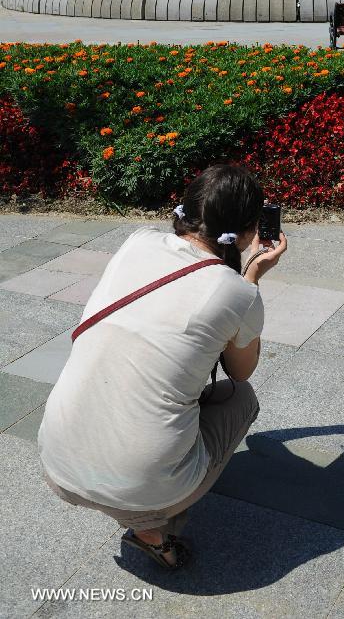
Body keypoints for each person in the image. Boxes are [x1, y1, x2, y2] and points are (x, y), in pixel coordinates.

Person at [38, 165, 287, 570]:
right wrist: (252, 274)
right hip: (141, 487)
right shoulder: (237, 291)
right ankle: (150, 528)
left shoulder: (137, 242)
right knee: (240, 399)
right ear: (247, 232)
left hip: (58, 463)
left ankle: (139, 495)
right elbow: (241, 371)